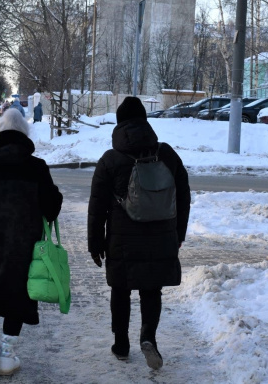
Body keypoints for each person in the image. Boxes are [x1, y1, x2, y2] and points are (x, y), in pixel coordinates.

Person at [87, 96, 191, 370]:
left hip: (122, 240)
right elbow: (183, 196)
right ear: (145, 121)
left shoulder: (110, 160)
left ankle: (121, 344)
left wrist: (95, 243)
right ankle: (149, 337)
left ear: (119, 124)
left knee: (120, 290)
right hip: (161, 236)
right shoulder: (167, 154)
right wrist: (178, 234)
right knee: (151, 289)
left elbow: (97, 207)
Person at [0, 109, 63, 376]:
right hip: (24, 245)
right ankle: (7, 357)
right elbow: (51, 209)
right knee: (19, 295)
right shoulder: (37, 168)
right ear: (24, 134)